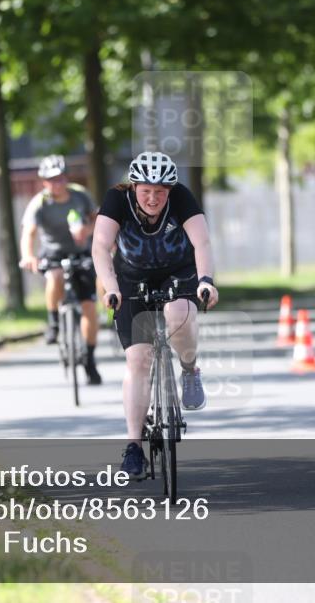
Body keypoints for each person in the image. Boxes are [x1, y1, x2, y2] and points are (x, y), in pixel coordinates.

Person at [91, 151, 219, 480]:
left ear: (170, 190)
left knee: (178, 313)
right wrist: (111, 288)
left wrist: (205, 280)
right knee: (138, 360)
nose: (153, 198)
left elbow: (202, 241)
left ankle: (190, 369)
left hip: (178, 272)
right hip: (130, 279)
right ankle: (134, 447)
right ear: (133, 187)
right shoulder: (116, 200)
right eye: (146, 190)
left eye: (160, 192)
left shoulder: (182, 198)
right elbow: (101, 245)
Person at [19, 155, 101, 384]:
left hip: (81, 252)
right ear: (44, 182)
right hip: (53, 253)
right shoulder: (40, 202)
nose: (57, 183)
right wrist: (28, 256)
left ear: (66, 178)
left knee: (89, 307)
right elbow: (29, 232)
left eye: (60, 178)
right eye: (51, 180)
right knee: (54, 276)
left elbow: (99, 220)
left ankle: (90, 360)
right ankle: (54, 322)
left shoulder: (80, 195)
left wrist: (87, 230)